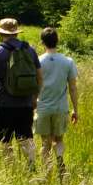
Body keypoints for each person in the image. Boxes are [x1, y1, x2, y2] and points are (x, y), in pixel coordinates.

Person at [0, 18, 43, 168]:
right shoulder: (30, 50)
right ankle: (31, 167)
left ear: (1, 33)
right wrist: (35, 98)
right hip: (25, 104)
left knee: (5, 141)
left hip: (4, 104)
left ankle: (11, 171)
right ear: (16, 33)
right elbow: (40, 78)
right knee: (26, 138)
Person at [35, 27, 78, 174]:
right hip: (61, 107)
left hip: (42, 107)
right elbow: (72, 88)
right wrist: (75, 110)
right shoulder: (68, 61)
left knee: (45, 143)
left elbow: (34, 85)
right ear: (57, 41)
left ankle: (47, 171)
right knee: (58, 140)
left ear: (42, 42)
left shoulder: (38, 61)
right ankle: (59, 157)